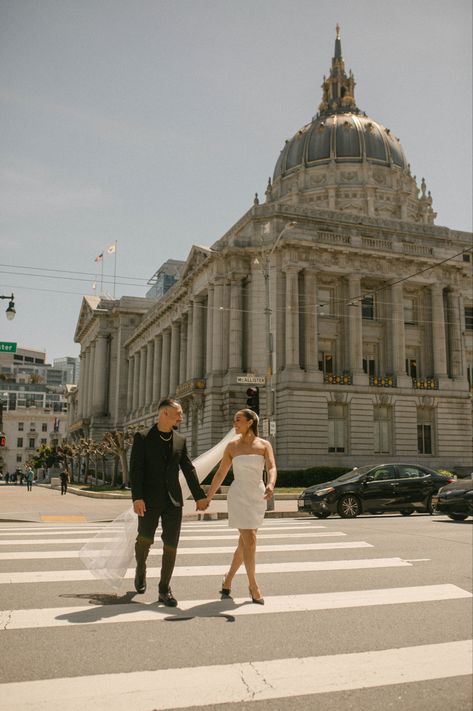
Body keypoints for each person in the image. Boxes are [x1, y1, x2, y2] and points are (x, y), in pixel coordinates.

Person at [130, 397, 208, 606]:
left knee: (171, 545)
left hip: (173, 502)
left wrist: (199, 495)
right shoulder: (143, 437)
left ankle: (164, 589)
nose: (181, 416)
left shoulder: (180, 440)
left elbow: (188, 469)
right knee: (144, 540)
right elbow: (136, 470)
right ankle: (140, 568)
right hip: (148, 500)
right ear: (165, 413)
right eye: (178, 413)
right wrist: (137, 497)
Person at [205, 409, 277, 605]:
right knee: (250, 539)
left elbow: (272, 466)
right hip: (238, 495)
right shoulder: (231, 446)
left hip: (257, 494)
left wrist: (271, 483)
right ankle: (253, 586)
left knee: (244, 543)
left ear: (250, 422)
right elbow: (220, 474)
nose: (234, 423)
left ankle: (227, 579)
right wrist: (208, 497)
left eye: (238, 420)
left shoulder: (264, 445)